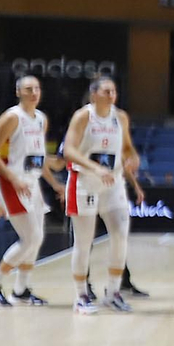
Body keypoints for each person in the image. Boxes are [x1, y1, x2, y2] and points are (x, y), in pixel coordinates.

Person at [61, 77, 145, 314]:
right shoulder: (83, 117)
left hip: (113, 183)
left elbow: (126, 147)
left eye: (114, 91)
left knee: (120, 235)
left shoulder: (121, 117)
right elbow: (69, 151)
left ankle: (113, 292)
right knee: (84, 242)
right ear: (94, 95)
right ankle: (81, 296)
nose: (111, 95)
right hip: (84, 182)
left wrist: (133, 156)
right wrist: (95, 168)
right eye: (106, 91)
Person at [0, 76, 67, 306]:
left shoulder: (41, 119)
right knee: (31, 238)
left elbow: (39, 158)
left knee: (37, 239)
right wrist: (14, 179)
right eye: (28, 89)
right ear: (18, 92)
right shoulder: (12, 117)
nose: (34, 92)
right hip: (10, 181)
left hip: (32, 182)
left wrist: (55, 183)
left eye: (37, 88)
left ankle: (20, 290)